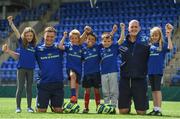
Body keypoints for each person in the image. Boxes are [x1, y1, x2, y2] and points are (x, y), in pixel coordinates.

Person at [3, 27, 66, 113]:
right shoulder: (37, 49)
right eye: (48, 36)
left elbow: (76, 44)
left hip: (57, 84)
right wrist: (9, 51)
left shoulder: (59, 48)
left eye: (52, 37)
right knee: (41, 111)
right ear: (44, 36)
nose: (49, 38)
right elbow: (21, 57)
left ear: (55, 37)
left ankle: (53, 103)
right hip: (44, 84)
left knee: (58, 110)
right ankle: (39, 101)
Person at [118, 20, 150, 115]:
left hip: (140, 78)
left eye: (136, 27)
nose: (134, 29)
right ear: (128, 29)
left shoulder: (146, 42)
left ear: (139, 28)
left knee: (141, 113)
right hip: (125, 78)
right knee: (123, 111)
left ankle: (135, 102)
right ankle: (127, 103)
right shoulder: (122, 43)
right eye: (132, 27)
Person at [7, 16, 38, 113]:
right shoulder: (21, 43)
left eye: (30, 36)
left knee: (29, 89)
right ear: (24, 36)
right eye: (27, 35)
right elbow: (16, 32)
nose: (29, 37)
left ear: (33, 36)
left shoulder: (34, 46)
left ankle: (29, 107)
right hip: (21, 69)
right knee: (20, 88)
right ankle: (18, 107)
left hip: (30, 69)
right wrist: (11, 23)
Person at [59, 28, 91, 104]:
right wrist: (64, 37)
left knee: (76, 86)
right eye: (72, 38)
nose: (73, 39)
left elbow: (84, 58)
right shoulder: (68, 46)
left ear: (78, 39)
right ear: (70, 39)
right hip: (70, 68)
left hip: (79, 69)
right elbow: (60, 46)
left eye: (75, 38)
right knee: (72, 76)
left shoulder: (81, 48)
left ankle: (74, 103)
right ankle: (73, 95)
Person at [147, 23, 173, 116]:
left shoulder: (162, 45)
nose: (154, 37)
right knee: (153, 90)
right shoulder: (150, 46)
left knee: (157, 90)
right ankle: (155, 108)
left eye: (156, 35)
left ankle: (159, 110)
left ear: (159, 35)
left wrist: (169, 36)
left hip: (158, 71)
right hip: (150, 71)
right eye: (153, 35)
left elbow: (170, 47)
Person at [100, 24, 125, 108]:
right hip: (103, 73)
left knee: (114, 90)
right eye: (105, 41)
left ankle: (114, 105)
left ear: (111, 41)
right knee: (105, 91)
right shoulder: (101, 50)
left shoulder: (114, 47)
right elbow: (107, 37)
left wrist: (122, 29)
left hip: (113, 72)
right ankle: (107, 105)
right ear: (102, 42)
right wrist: (112, 32)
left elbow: (121, 40)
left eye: (108, 41)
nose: (106, 43)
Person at [81, 32, 101, 113]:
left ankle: (98, 107)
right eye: (89, 39)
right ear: (86, 40)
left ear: (95, 41)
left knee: (97, 91)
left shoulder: (98, 47)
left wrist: (112, 32)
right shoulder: (83, 50)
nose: (91, 40)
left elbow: (107, 39)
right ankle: (86, 108)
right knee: (87, 91)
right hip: (87, 74)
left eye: (93, 39)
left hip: (96, 73)